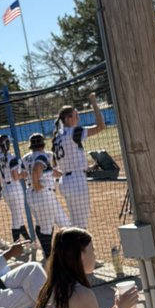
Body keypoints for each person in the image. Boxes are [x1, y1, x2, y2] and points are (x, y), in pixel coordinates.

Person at [51, 91, 105, 230]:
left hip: (66, 181)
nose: (78, 119)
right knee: (81, 226)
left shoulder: (57, 136)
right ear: (68, 119)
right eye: (76, 116)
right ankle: (81, 251)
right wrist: (93, 102)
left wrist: (87, 167)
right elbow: (101, 126)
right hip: (76, 182)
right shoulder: (74, 132)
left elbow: (62, 160)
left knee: (75, 224)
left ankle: (76, 250)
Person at [21, 132, 69, 259]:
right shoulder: (43, 155)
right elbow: (37, 169)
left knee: (44, 224)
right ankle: (51, 255)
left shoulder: (26, 157)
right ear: (42, 144)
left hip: (32, 194)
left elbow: (23, 174)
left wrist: (61, 174)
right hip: (43, 194)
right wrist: (37, 184)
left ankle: (48, 253)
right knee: (52, 227)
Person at [0, 134, 31, 243]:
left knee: (17, 215)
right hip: (14, 188)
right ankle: (16, 245)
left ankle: (28, 240)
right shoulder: (11, 157)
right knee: (16, 217)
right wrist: (24, 174)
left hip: (5, 189)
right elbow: (15, 176)